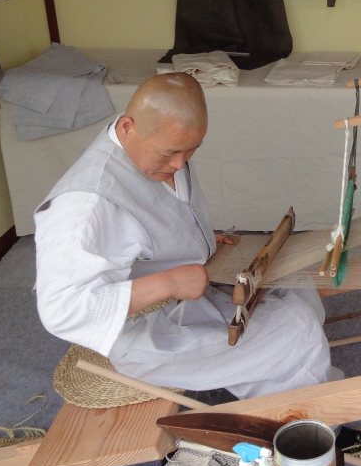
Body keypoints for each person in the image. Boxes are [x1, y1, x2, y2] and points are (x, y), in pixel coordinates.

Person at [34, 72, 338, 399]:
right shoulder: (85, 205)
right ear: (127, 127)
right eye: (169, 153)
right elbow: (61, 310)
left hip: (189, 288)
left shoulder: (151, 144)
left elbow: (152, 220)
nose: (179, 164)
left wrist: (192, 241)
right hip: (146, 330)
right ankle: (307, 423)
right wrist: (168, 283)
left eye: (191, 150)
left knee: (294, 282)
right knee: (294, 330)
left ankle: (283, 379)